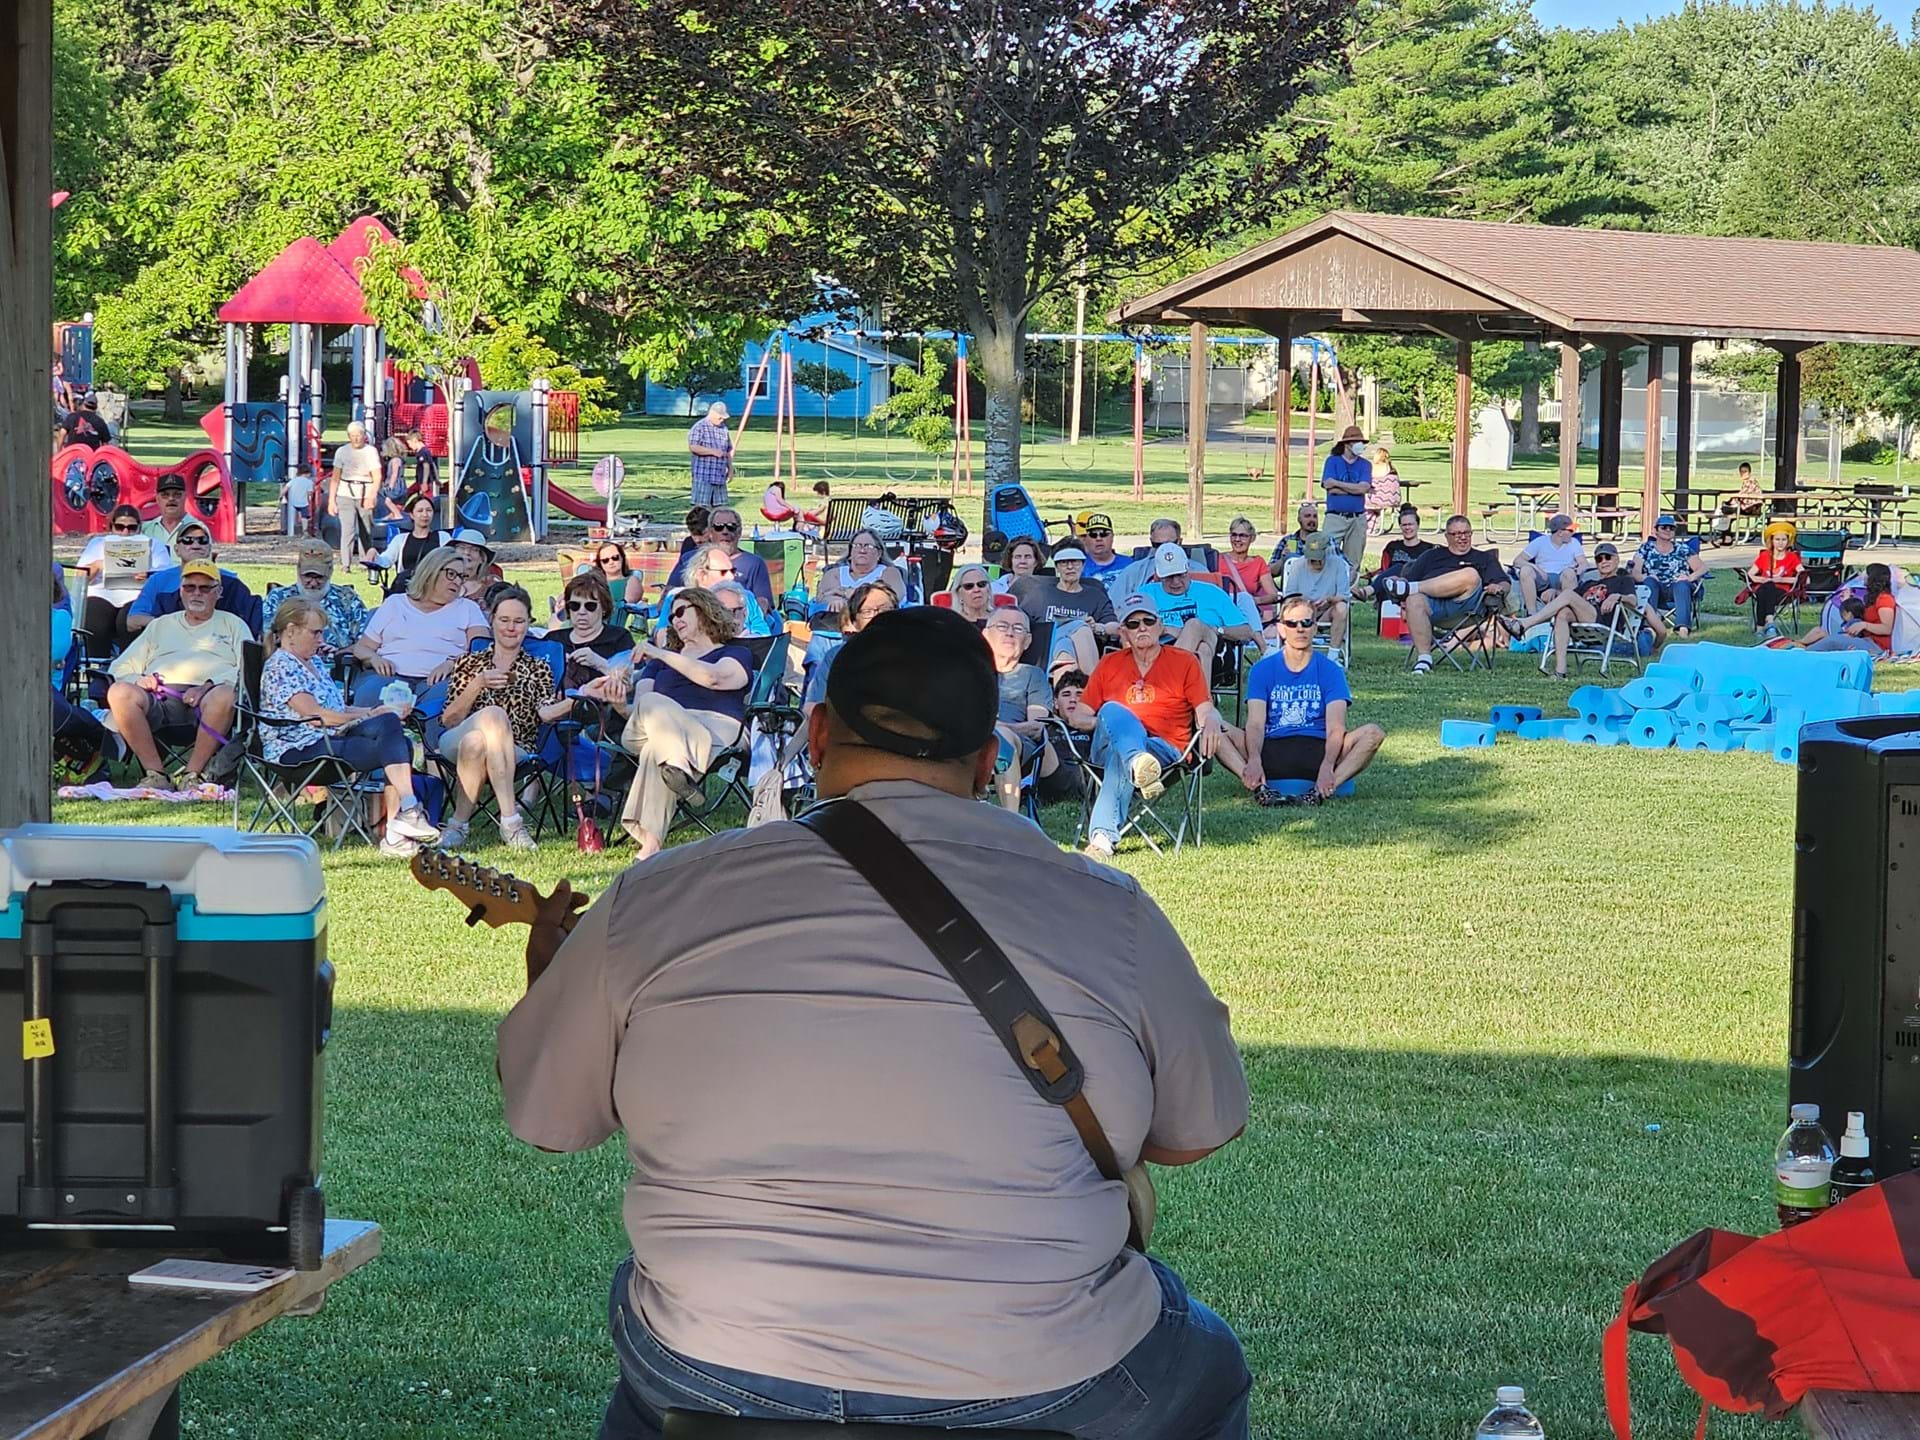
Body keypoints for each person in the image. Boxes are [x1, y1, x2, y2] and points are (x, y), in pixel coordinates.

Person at [497, 603, 1251, 1440]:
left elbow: (549, 1121)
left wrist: (553, 975)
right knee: (1206, 1361)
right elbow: (1196, 1132)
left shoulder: (657, 894)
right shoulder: (1110, 909)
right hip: (1037, 1371)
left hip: (715, 1363)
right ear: (988, 759)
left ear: (816, 735)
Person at [1067, 593, 1249, 859]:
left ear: (1161, 626)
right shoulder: (1109, 664)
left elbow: (1204, 709)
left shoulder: (1184, 662)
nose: (1141, 628)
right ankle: (1137, 758)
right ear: (1123, 633)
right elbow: (1078, 717)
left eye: (1148, 621)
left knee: (1124, 757)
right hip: (1108, 746)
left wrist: (1211, 720)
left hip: (1165, 750)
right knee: (1113, 712)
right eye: (1133, 624)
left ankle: (1103, 838)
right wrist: (1117, 725)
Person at [582, 586, 754, 861]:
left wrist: (661, 653)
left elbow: (716, 679)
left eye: (681, 611)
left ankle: (650, 845)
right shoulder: (657, 667)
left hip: (717, 731)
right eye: (671, 615)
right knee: (652, 704)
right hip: (659, 731)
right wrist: (618, 703)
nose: (674, 619)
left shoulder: (733, 654)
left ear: (705, 609)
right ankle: (679, 767)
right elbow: (638, 710)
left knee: (656, 751)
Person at [259, 598, 440, 857]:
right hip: (299, 750)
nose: (321, 640)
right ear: (290, 631)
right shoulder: (280, 666)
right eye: (315, 632)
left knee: (391, 726)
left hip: (329, 739)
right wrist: (368, 715)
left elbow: (340, 709)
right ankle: (402, 824)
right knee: (393, 740)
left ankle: (402, 820)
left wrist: (376, 712)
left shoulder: (315, 663)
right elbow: (314, 715)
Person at [434, 584, 570, 852]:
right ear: (492, 620)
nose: (511, 627)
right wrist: (478, 684)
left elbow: (544, 712)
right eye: (504, 620)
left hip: (516, 748)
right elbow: (449, 719)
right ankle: (511, 821)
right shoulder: (470, 663)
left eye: (519, 621)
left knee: (476, 743)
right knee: (489, 719)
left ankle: (457, 825)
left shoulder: (538, 668)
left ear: (528, 623)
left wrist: (576, 700)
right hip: (455, 738)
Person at [105, 559, 249, 789]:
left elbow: (247, 669)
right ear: (181, 591)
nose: (196, 594)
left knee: (225, 695)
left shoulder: (233, 624)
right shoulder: (160, 625)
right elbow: (120, 666)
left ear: (218, 592)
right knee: (119, 692)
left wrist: (208, 686)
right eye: (189, 587)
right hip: (160, 697)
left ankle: (193, 775)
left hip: (208, 700)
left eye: (205, 588)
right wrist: (138, 679)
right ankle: (156, 775)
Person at [1242, 594, 1384, 803]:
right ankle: (1260, 788)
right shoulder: (1261, 670)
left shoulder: (1331, 670)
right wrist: (1254, 759)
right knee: (1216, 730)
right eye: (1292, 623)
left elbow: (1336, 727)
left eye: (1306, 623)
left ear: (1315, 628)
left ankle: (1320, 792)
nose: (1300, 629)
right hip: (1272, 746)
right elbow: (1255, 724)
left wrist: (1327, 765)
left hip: (1317, 748)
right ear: (1281, 629)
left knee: (1373, 733)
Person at [347, 547, 491, 705]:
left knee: (445, 704)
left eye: (462, 577)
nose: (457, 581)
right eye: (451, 574)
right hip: (389, 676)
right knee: (370, 700)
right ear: (431, 572)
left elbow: (482, 650)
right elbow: (362, 648)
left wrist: (453, 663)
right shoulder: (395, 603)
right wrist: (374, 659)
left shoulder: (467, 608)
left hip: (441, 681)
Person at [1372, 514, 1511, 676]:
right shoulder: (1432, 556)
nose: (1463, 538)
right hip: (1433, 608)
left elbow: (1505, 584)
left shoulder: (1483, 558)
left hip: (1467, 609)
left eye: (1467, 533)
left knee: (1470, 574)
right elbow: (1407, 579)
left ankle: (1410, 588)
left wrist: (1499, 588)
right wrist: (1399, 580)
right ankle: (1424, 659)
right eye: (1457, 534)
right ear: (1447, 536)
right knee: (1413, 598)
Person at [1504, 542, 1639, 679]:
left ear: (1616, 559)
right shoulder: (1589, 583)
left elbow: (1633, 601)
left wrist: (1618, 597)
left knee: (1568, 594)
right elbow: (1570, 598)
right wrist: (1554, 592)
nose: (1603, 561)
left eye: (1608, 557)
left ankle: (1525, 624)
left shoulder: (1624, 581)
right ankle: (1560, 672)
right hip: (1583, 621)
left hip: (1604, 622)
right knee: (1562, 614)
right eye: (1599, 559)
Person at [1138, 543, 1256, 680]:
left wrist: (1215, 630)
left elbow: (1246, 632)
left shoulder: (1212, 592)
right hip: (1161, 651)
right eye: (1169, 577)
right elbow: (1130, 627)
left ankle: (1165, 681)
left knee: (1194, 625)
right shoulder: (1146, 594)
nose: (1176, 582)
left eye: (1180, 575)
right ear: (1158, 575)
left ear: (1188, 569)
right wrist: (1166, 630)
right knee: (1202, 649)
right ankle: (1201, 700)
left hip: (1217, 651)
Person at [981, 607, 1060, 811]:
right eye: (1002, 626)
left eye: (1017, 628)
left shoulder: (1032, 675)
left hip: (1017, 746)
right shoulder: (971, 672)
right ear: (986, 634)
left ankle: (1011, 819)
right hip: (970, 740)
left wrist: (998, 727)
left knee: (1002, 737)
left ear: (1028, 641)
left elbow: (1036, 727)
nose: (1009, 632)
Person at [125, 520, 260, 636]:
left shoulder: (231, 582)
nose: (196, 545)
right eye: (188, 541)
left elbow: (250, 620)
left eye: (202, 541)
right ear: (177, 549)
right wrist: (179, 626)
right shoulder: (158, 580)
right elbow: (132, 621)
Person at [77, 504, 173, 651]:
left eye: (132, 528)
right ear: (112, 527)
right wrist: (97, 565)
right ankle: (97, 666)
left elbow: (165, 576)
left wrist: (148, 575)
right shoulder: (97, 544)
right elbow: (80, 577)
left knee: (128, 622)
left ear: (139, 528)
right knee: (95, 621)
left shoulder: (154, 545)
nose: (126, 532)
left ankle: (127, 666)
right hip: (101, 593)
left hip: (136, 594)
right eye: (120, 527)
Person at [261, 540, 372, 658]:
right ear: (298, 570)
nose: (313, 583)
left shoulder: (348, 600)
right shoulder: (278, 599)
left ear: (330, 572)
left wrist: (339, 653)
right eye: (307, 576)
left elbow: (367, 644)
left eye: (319, 577)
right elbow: (267, 640)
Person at [1020, 544, 1118, 677]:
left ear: (1083, 566)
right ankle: (1092, 686)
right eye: (1064, 563)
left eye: (1075, 563)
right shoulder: (1040, 594)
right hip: (1044, 651)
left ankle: (1065, 691)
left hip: (1077, 655)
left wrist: (1097, 627)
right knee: (1078, 626)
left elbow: (1115, 627)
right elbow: (1020, 619)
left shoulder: (1095, 596)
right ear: (1057, 568)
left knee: (1068, 643)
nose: (1070, 567)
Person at [801, 582, 897, 718]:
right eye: (867, 612)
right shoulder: (835, 657)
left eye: (885, 609)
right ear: (854, 621)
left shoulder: (916, 656)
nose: (877, 616)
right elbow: (812, 707)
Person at [672, 507, 773, 609]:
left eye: (731, 527)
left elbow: (763, 602)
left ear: (739, 532)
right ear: (710, 533)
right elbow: (671, 592)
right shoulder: (690, 559)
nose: (725, 531)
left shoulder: (754, 563)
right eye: (718, 527)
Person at [1280, 533, 1353, 665]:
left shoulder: (1338, 564)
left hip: (1327, 610)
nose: (1317, 562)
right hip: (1302, 612)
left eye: (1319, 559)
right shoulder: (1298, 565)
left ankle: (1333, 655)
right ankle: (1294, 652)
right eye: (1313, 559)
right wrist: (1305, 603)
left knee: (1342, 607)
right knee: (1289, 608)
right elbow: (1289, 596)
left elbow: (1344, 595)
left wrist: (1329, 600)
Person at [1630, 515, 1707, 637]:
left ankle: (1683, 628)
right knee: (1650, 582)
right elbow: (1635, 572)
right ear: (1656, 530)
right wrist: (1646, 578)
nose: (1667, 530)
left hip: (1677, 590)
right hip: (1654, 590)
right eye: (1664, 527)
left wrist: (1690, 578)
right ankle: (1650, 627)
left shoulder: (1682, 549)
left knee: (1682, 585)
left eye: (1671, 528)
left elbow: (1703, 568)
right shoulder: (1646, 549)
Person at [1798, 563, 1897, 655]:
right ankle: (1799, 645)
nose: (1863, 576)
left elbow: (1887, 629)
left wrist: (1864, 625)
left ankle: (1803, 653)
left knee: (1833, 641)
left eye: (1866, 573)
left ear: (1873, 577)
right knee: (1820, 632)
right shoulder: (1873, 597)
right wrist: (1847, 601)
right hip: (1864, 638)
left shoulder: (1885, 599)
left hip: (1877, 646)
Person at [812, 528, 907, 618]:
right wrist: (836, 600)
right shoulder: (834, 573)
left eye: (868, 546)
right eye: (857, 545)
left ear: (879, 553)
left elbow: (890, 599)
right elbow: (822, 597)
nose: (862, 550)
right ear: (850, 552)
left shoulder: (889, 572)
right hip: (834, 627)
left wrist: (846, 593)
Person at [327, 421, 385, 566]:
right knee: (348, 530)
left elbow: (377, 476)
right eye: (353, 436)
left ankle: (366, 562)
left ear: (364, 435)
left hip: (365, 491)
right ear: (349, 437)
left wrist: (371, 495)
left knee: (366, 530)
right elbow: (335, 478)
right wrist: (331, 500)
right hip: (345, 493)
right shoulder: (342, 452)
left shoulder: (370, 452)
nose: (356, 438)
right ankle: (345, 564)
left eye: (359, 435)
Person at [1319, 424, 1372, 565]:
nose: (1360, 445)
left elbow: (1363, 488)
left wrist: (1338, 484)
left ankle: (1350, 586)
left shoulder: (1365, 464)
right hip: (1335, 517)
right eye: (1356, 442)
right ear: (1347, 444)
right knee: (1326, 555)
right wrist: (1355, 489)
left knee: (1353, 561)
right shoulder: (1332, 461)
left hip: (1357, 519)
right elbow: (1330, 488)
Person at [1514, 513, 1586, 614]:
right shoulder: (1540, 542)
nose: (1573, 533)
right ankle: (1531, 613)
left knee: (1569, 573)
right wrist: (1536, 568)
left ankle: (1569, 611)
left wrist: (1579, 569)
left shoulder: (1574, 542)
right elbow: (1518, 561)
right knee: (1525, 571)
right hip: (1543, 578)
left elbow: (1583, 562)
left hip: (1564, 578)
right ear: (1560, 533)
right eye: (1570, 530)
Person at [371, 493, 449, 587]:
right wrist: (374, 554)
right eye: (420, 511)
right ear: (412, 515)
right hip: (406, 587)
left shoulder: (443, 537)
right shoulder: (400, 539)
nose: (425, 514)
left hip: (434, 588)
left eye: (429, 510)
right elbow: (386, 560)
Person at [1222, 517, 1280, 635]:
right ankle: (1260, 643)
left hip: (1247, 612)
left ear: (1252, 538)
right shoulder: (1218, 559)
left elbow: (1273, 595)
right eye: (1234, 535)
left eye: (1243, 536)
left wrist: (1253, 601)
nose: (1237, 539)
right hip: (1223, 610)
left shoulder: (1258, 562)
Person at [1744, 520, 1801, 638]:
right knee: (1766, 587)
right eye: (1777, 539)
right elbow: (1750, 574)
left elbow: (1804, 578)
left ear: (1788, 541)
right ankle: (1769, 623)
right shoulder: (1764, 556)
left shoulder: (1792, 557)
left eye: (1784, 540)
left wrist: (1781, 580)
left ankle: (1761, 627)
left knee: (1766, 589)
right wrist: (1762, 580)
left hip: (1782, 592)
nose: (1780, 543)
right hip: (1764, 589)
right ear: (1772, 541)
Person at [687, 400, 734, 507]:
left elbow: (728, 450)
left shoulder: (724, 429)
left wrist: (730, 469)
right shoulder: (699, 427)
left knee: (721, 508)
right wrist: (712, 451)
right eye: (720, 417)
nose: (722, 420)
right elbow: (693, 447)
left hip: (719, 476)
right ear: (712, 413)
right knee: (702, 509)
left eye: (723, 418)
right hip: (703, 476)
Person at [1076, 512, 1131, 587]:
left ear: (1112, 537)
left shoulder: (1130, 564)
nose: (1098, 538)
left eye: (1104, 534)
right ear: (1086, 539)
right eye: (1093, 535)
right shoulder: (1077, 566)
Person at [141, 473, 193, 549]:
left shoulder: (198, 528)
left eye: (177, 495)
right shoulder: (145, 529)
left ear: (185, 497)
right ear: (157, 499)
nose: (171, 499)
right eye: (165, 495)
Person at [1269, 501, 1322, 568]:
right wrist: (1282, 559)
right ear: (1299, 519)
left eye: (1315, 516)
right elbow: (1271, 572)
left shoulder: (1326, 540)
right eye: (1307, 516)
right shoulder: (1289, 540)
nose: (1312, 519)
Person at [1365, 444, 1402, 533]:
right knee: (1373, 506)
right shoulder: (1392, 469)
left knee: (1362, 502)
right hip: (1394, 499)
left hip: (1380, 499)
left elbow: (1367, 483)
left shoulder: (1374, 468)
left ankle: (1369, 526)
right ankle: (1371, 526)